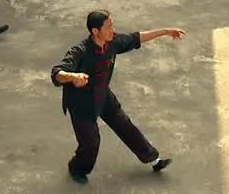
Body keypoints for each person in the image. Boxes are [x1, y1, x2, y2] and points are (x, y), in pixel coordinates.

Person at [51, 10, 185, 183]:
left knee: (126, 126)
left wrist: (166, 31)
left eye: (112, 25)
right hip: (81, 104)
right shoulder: (80, 51)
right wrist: (73, 77)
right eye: (109, 27)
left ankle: (154, 160)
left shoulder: (112, 43)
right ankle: (76, 168)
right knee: (91, 143)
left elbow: (136, 38)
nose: (113, 30)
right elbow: (56, 73)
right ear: (95, 31)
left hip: (103, 96)